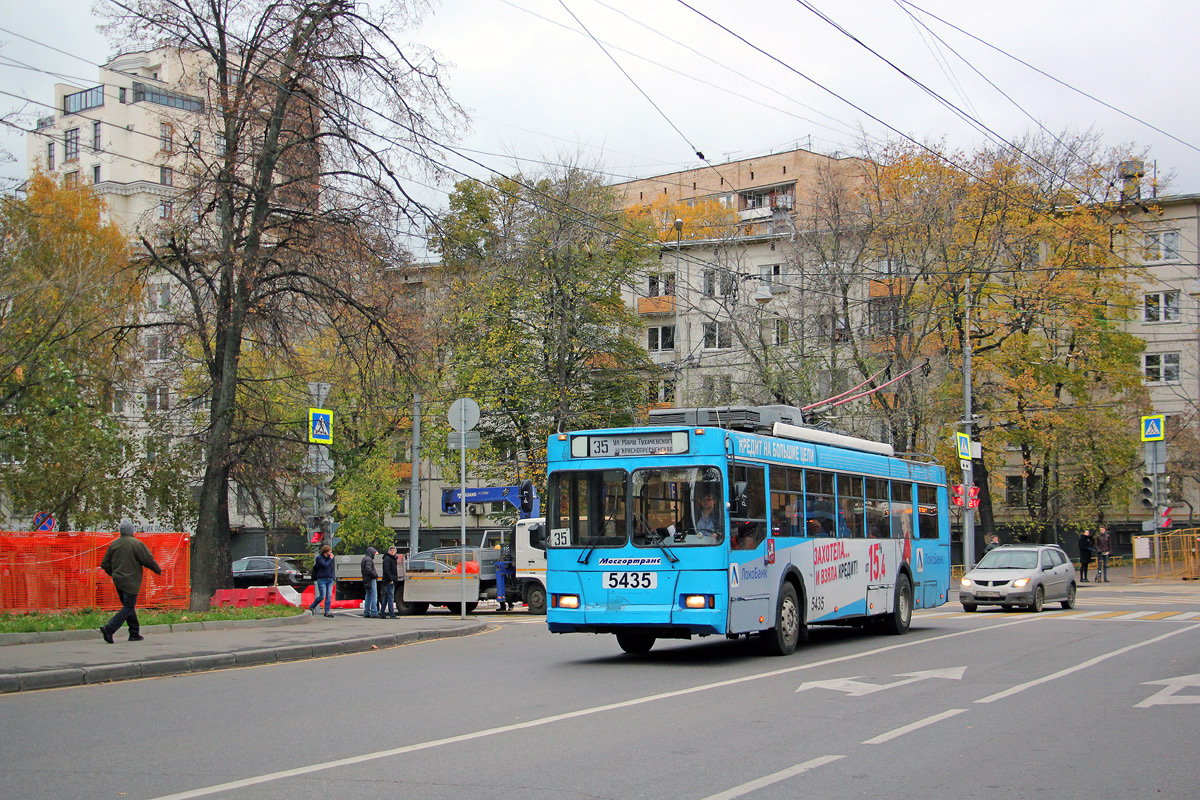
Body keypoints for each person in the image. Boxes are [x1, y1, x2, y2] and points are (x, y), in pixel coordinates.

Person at [98, 518, 162, 643]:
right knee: (128, 607)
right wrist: (157, 570)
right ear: (132, 531)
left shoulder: (114, 544)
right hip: (131, 581)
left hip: (118, 580)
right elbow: (147, 559)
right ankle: (109, 628)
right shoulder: (136, 543)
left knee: (128, 607)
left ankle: (134, 632)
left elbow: (104, 564)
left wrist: (114, 573)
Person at [309, 544, 335, 617]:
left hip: (330, 579)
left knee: (329, 595)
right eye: (329, 551)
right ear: (326, 552)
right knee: (322, 596)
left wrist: (333, 576)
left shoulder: (330, 559)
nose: (331, 553)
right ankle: (312, 606)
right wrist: (330, 559)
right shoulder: (319, 558)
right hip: (322, 579)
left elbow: (331, 567)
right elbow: (325, 565)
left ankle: (327, 611)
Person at [380, 545, 399, 618]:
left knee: (386, 597)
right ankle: (392, 614)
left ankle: (382, 612)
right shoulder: (387, 559)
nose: (392, 551)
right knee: (390, 597)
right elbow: (387, 570)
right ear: (389, 551)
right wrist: (391, 579)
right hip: (389, 581)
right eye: (391, 550)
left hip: (390, 580)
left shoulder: (393, 559)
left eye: (393, 550)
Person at [360, 546, 379, 617]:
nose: (374, 554)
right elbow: (369, 570)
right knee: (374, 596)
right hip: (371, 579)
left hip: (366, 579)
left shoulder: (364, 559)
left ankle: (367, 612)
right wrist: (375, 575)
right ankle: (374, 612)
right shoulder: (369, 560)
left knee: (368, 596)